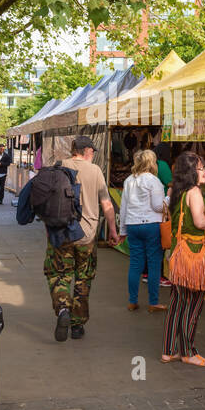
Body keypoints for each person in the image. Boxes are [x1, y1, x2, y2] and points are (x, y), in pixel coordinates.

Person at [44, 135, 118, 342]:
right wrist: (112, 230)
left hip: (61, 233)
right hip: (86, 236)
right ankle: (77, 326)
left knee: (58, 274)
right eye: (93, 151)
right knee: (83, 278)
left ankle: (62, 310)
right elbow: (107, 205)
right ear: (87, 151)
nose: (93, 154)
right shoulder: (95, 171)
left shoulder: (59, 167)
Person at [162, 151, 205, 368]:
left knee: (177, 302)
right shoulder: (194, 192)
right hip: (194, 255)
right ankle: (188, 351)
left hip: (179, 253)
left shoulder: (175, 191)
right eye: (201, 168)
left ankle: (169, 350)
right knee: (193, 304)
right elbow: (199, 221)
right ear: (191, 172)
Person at [118, 149, 167, 313]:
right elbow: (158, 206)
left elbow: (123, 208)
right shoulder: (154, 181)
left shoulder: (128, 181)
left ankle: (132, 301)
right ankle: (153, 302)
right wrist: (168, 198)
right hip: (152, 225)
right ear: (151, 162)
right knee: (153, 264)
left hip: (132, 225)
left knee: (135, 264)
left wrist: (122, 230)